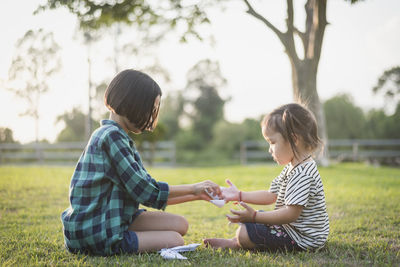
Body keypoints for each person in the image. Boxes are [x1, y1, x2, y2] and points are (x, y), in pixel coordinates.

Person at [61, 69, 221, 256]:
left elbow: (146, 189)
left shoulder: (116, 136)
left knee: (181, 225)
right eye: (150, 110)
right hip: (98, 231)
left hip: (112, 216)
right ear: (132, 104)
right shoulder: (111, 137)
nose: (151, 116)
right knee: (175, 239)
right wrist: (194, 188)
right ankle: (119, 241)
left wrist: (198, 194)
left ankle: (130, 233)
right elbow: (146, 191)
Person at [204, 103, 329, 252]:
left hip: (303, 238)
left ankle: (238, 242)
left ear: (294, 139)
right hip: (292, 230)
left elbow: (290, 214)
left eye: (272, 142)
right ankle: (236, 241)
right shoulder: (293, 167)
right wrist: (239, 195)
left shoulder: (303, 173)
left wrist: (255, 217)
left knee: (246, 231)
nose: (270, 149)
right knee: (252, 223)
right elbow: (271, 195)